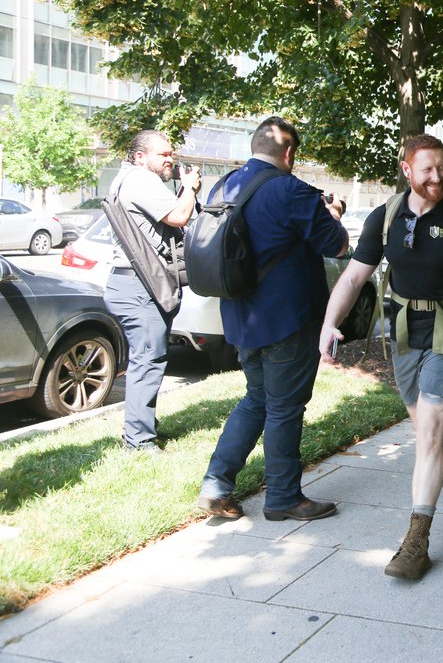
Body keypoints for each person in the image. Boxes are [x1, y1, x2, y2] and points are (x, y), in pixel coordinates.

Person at [319, 133, 443, 581]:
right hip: (405, 332)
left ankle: (416, 542)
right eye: (427, 169)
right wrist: (329, 323)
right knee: (426, 425)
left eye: (442, 167)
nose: (437, 177)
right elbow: (353, 278)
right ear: (407, 170)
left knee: (427, 432)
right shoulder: (386, 216)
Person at [196, 117, 348, 521]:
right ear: (289, 152)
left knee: (257, 399)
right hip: (287, 320)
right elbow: (337, 245)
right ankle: (282, 497)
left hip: (240, 318)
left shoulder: (224, 185)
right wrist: (333, 214)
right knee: (284, 408)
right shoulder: (291, 190)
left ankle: (216, 485)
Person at [105, 130, 202, 453]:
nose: (169, 159)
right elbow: (180, 216)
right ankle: (138, 441)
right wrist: (189, 188)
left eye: (170, 153)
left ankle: (142, 426)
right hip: (139, 285)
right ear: (140, 157)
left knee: (146, 359)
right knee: (149, 360)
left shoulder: (126, 178)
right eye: (163, 155)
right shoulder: (140, 180)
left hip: (133, 282)